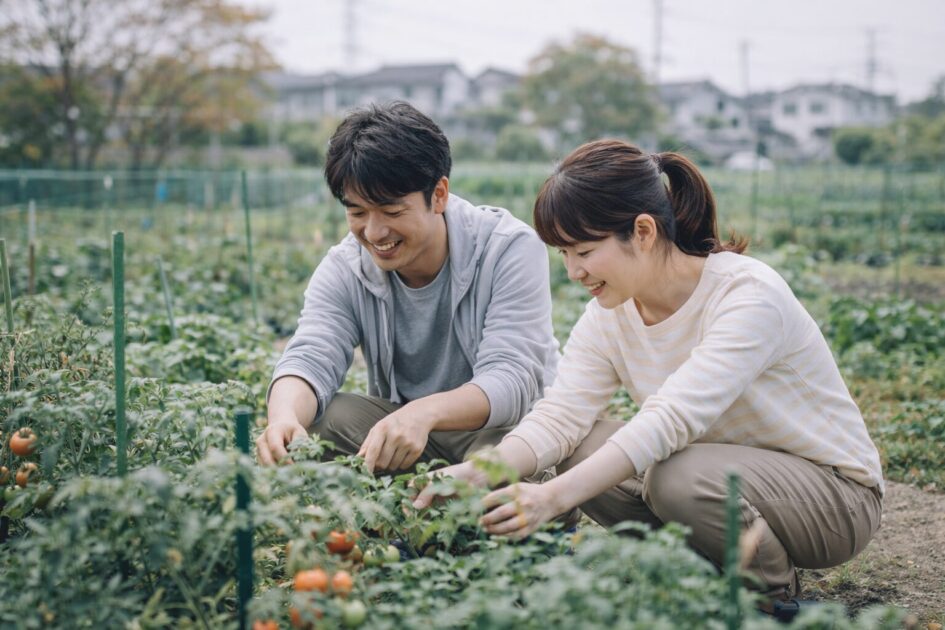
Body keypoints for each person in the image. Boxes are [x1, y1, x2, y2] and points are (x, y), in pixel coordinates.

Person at [415, 139, 884, 610]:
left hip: (833, 499)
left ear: (642, 231)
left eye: (584, 250)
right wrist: (473, 475)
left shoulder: (746, 295)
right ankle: (701, 567)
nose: (574, 271)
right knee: (580, 445)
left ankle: (769, 599)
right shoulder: (611, 313)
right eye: (564, 254)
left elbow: (671, 418)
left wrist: (551, 500)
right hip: (726, 478)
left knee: (676, 475)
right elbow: (559, 416)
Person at [256, 101, 560, 475]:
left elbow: (512, 381)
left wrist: (425, 412)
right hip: (405, 435)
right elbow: (312, 353)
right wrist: (284, 417)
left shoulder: (507, 248)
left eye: (392, 211)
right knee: (321, 422)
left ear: (439, 194)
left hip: (499, 432)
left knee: (512, 467)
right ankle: (418, 506)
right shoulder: (345, 267)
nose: (374, 232)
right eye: (357, 212)